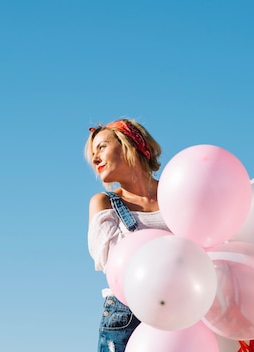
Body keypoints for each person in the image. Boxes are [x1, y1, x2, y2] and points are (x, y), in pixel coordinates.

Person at [84, 118, 171, 352]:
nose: (94, 159)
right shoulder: (104, 203)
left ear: (130, 144)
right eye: (93, 152)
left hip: (185, 309)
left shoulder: (178, 193)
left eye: (101, 147)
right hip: (126, 316)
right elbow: (110, 263)